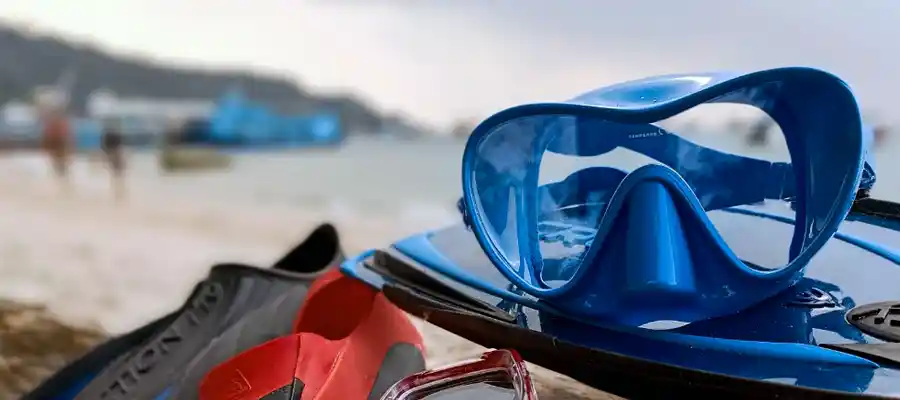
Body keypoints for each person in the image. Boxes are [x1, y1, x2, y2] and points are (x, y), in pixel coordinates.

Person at [40, 109, 73, 193]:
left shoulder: (60, 124)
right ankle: (61, 175)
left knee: (60, 160)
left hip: (60, 143)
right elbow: (48, 135)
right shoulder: (54, 124)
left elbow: (66, 135)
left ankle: (62, 175)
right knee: (58, 160)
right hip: (57, 143)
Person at [101, 120, 126, 200]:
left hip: (111, 152)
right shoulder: (116, 134)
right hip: (115, 152)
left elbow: (105, 145)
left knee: (113, 169)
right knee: (118, 169)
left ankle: (116, 181)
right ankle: (118, 183)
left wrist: (106, 151)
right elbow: (119, 144)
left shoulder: (107, 134)